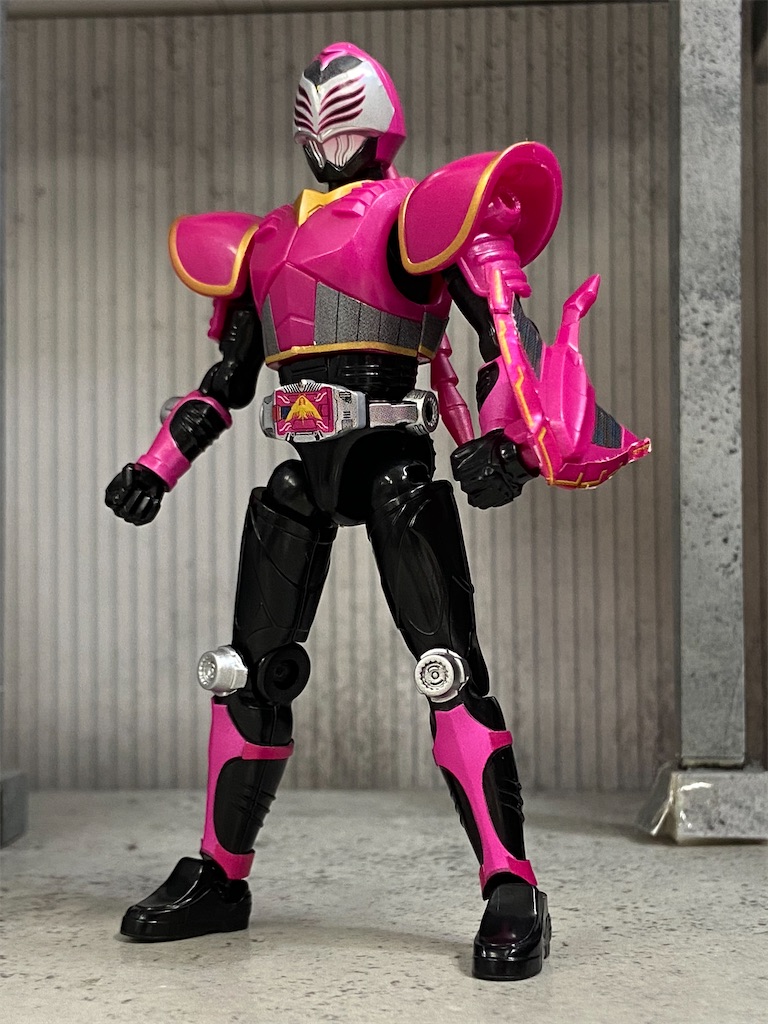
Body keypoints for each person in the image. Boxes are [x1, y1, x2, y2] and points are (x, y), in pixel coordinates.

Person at [106, 41, 647, 981]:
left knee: (449, 672)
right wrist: (157, 465)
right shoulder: (264, 243)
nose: (326, 134)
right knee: (247, 674)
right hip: (300, 477)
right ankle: (221, 876)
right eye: (314, 119)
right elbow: (228, 380)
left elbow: (507, 337)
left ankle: (511, 883)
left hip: (396, 467)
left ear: (376, 127)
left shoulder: (422, 212)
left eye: (343, 118)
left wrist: (512, 445)